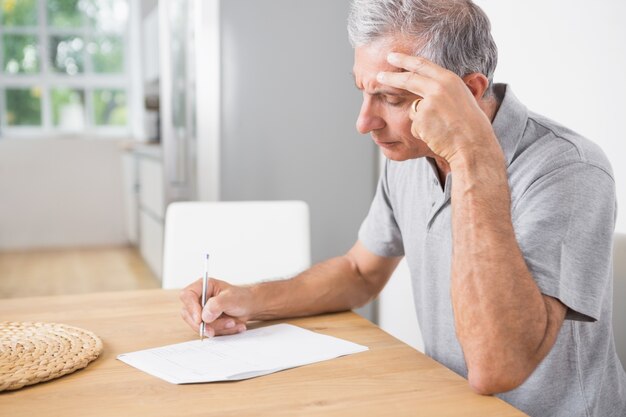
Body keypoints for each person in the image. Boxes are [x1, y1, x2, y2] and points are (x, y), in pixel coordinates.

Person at [180, 0, 626, 415]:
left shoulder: (570, 170)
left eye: (391, 99)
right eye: (363, 92)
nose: (364, 123)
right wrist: (248, 301)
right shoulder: (412, 153)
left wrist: (471, 154)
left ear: (467, 93)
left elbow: (497, 368)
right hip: (450, 401)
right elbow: (359, 273)